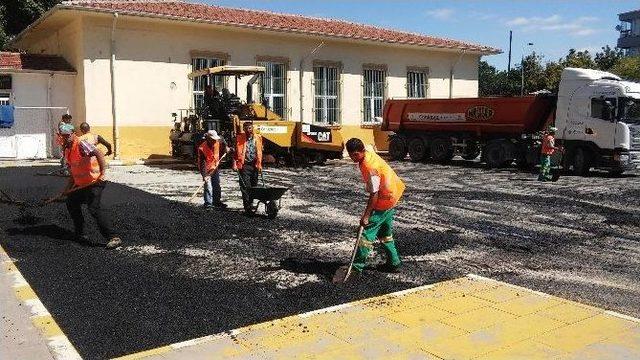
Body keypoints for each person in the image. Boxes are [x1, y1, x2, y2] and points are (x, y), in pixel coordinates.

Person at [346, 138, 405, 275]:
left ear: (362, 151)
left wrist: (366, 216)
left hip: (385, 199)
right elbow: (369, 145)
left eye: (355, 155)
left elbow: (374, 194)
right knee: (385, 233)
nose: (353, 158)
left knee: (366, 234)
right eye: (350, 154)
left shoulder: (370, 167)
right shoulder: (368, 151)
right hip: (393, 194)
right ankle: (394, 262)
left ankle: (356, 267)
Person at [58, 123, 121, 249]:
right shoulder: (67, 149)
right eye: (62, 136)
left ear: (73, 134)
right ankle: (80, 233)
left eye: (67, 136)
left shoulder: (81, 144)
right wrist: (67, 190)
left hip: (95, 181)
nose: (65, 138)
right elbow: (73, 173)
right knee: (71, 203)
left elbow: (98, 154)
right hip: (81, 184)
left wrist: (103, 173)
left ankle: (113, 237)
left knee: (94, 208)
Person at [233, 122, 263, 211]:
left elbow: (260, 151)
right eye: (246, 129)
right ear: (244, 129)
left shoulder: (258, 138)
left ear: (252, 128)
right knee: (246, 186)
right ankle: (247, 207)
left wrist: (260, 164)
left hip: (255, 165)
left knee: (254, 186)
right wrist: (234, 164)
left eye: (249, 128)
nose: (248, 130)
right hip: (244, 165)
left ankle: (251, 203)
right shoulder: (239, 138)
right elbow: (235, 153)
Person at [197, 130, 229, 209]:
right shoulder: (202, 148)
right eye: (213, 139)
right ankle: (208, 203)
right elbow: (202, 163)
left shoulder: (218, 142)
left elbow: (224, 144)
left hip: (215, 167)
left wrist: (227, 148)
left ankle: (216, 202)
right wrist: (205, 175)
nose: (215, 140)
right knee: (208, 185)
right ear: (208, 138)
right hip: (206, 169)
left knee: (216, 185)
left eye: (215, 139)